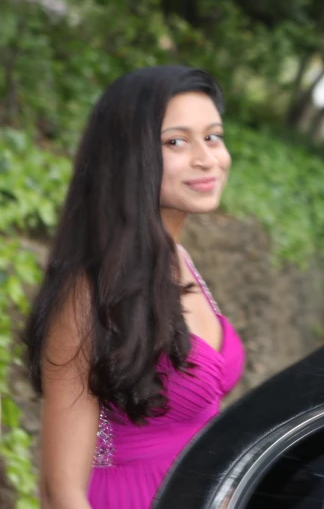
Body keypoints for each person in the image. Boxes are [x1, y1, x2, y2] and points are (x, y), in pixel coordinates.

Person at [24, 66, 245, 509]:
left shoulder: (180, 261)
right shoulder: (90, 292)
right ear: (129, 156)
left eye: (213, 136)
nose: (206, 158)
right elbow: (59, 492)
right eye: (176, 142)